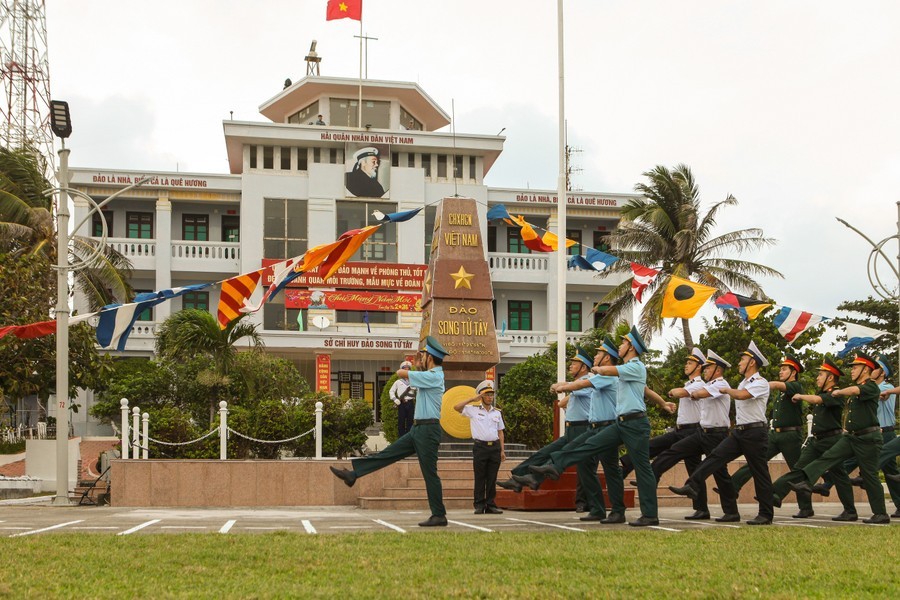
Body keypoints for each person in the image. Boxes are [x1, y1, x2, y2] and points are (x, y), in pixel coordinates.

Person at [529, 326, 677, 527]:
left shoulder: (635, 366)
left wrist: (594, 367)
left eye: (623, 343)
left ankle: (650, 514)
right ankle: (556, 466)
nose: (620, 346)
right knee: (591, 444)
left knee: (642, 468)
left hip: (635, 424)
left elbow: (608, 371)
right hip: (621, 423)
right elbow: (645, 390)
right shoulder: (626, 371)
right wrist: (662, 403)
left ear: (631, 347)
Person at [500, 338, 632, 523]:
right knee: (590, 470)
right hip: (595, 428)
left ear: (607, 358)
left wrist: (561, 386)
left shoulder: (606, 377)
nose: (595, 356)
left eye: (598, 354)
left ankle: (615, 510)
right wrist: (563, 386)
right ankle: (599, 509)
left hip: (605, 427)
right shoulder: (599, 377)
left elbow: (580, 385)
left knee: (603, 468)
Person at [330, 335, 449, 527]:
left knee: (430, 474)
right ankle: (353, 474)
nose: (422, 358)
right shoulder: (429, 376)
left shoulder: (435, 376)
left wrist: (412, 365)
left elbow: (400, 373)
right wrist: (419, 365)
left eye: (424, 356)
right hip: (419, 428)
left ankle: (439, 515)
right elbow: (413, 379)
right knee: (389, 453)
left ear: (430, 358)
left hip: (428, 430)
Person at [670, 341, 774, 525]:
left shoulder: (760, 382)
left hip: (755, 432)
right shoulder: (743, 382)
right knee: (716, 457)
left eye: (743, 359)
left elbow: (742, 396)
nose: (740, 362)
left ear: (752, 362)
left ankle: (766, 514)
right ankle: (692, 485)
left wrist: (726, 389)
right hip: (739, 431)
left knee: (760, 473)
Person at [787, 352, 890, 524]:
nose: (852, 370)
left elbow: (855, 390)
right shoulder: (857, 389)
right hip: (851, 437)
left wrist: (839, 392)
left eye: (855, 367)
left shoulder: (871, 387)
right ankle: (806, 483)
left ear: (866, 369)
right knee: (829, 457)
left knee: (870, 476)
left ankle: (881, 513)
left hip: (868, 439)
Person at [648, 349, 740, 521]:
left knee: (720, 474)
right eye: (704, 368)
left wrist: (691, 392)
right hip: (702, 432)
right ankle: (654, 475)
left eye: (708, 368)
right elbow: (696, 393)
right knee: (675, 450)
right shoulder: (709, 384)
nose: (705, 370)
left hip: (716, 434)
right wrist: (692, 392)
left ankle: (731, 512)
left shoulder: (721, 384)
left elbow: (699, 394)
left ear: (717, 370)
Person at [496, 347, 595, 503]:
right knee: (543, 453)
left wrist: (558, 386)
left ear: (583, 367)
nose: (570, 366)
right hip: (572, 429)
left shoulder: (587, 381)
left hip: (583, 428)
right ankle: (518, 478)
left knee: (566, 461)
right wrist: (560, 387)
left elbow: (568, 386)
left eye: (574, 363)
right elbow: (566, 391)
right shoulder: (578, 383)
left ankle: (584, 502)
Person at [620, 347, 706, 518]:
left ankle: (701, 508)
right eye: (686, 362)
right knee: (652, 446)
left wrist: (672, 392)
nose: (686, 366)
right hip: (680, 431)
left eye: (690, 363)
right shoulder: (689, 384)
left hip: (692, 432)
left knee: (686, 466)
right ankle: (627, 464)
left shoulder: (699, 384)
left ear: (699, 367)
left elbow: (681, 393)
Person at [769, 358, 858, 521]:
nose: (817, 378)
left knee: (840, 476)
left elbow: (817, 400)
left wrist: (801, 396)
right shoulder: (823, 393)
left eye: (821, 375)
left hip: (832, 440)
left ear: (830, 378)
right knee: (799, 469)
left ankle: (850, 510)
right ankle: (775, 494)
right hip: (816, 440)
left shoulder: (835, 394)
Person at [729, 354, 807, 515]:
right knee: (756, 460)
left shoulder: (795, 386)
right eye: (780, 369)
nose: (781, 372)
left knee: (798, 470)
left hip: (791, 436)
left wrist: (761, 385)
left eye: (784, 369)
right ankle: (733, 486)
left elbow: (777, 385)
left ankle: (806, 507)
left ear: (793, 373)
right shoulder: (782, 392)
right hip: (775, 434)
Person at [454, 380, 505, 515]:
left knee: (492, 477)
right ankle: (479, 504)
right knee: (480, 477)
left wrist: (502, 450)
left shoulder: (497, 413)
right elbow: (456, 407)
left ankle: (490, 504)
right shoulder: (473, 410)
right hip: (480, 447)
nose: (490, 397)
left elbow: (500, 432)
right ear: (481, 396)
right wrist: (472, 399)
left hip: (494, 447)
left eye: (491, 395)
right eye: (487, 395)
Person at [389, 361, 416, 437]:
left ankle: (409, 438)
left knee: (410, 422)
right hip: (401, 403)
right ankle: (401, 438)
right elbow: (391, 391)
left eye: (408, 370)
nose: (406, 371)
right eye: (405, 370)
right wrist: (394, 399)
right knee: (401, 422)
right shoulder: (398, 382)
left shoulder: (414, 382)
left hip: (410, 403)